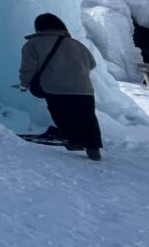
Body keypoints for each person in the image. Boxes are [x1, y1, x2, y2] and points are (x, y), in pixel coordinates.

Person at [20, 13, 102, 161]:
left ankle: (74, 141)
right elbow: (92, 63)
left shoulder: (32, 44)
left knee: (62, 116)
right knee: (88, 118)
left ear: (38, 27)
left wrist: (24, 83)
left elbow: (28, 68)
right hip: (83, 88)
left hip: (54, 87)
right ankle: (93, 150)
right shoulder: (77, 44)